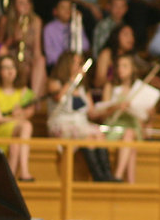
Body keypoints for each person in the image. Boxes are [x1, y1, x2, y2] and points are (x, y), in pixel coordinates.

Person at [46, 52, 118, 182]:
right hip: (62, 123)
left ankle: (106, 174)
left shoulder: (83, 88)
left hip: (81, 124)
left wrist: (111, 108)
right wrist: (72, 81)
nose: (79, 66)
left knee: (99, 135)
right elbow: (59, 97)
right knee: (88, 136)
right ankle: (98, 176)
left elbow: (91, 113)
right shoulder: (55, 82)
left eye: (80, 63)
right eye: (76, 63)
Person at [99, 54, 153, 184]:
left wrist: (143, 111)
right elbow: (102, 112)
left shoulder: (140, 89)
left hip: (132, 125)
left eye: (125, 66)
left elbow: (148, 117)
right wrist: (117, 107)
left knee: (129, 135)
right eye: (118, 66)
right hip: (114, 126)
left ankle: (119, 177)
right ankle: (129, 182)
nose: (120, 69)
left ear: (133, 68)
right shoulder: (110, 86)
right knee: (130, 142)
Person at [0, 54, 35, 182]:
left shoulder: (24, 90)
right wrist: (17, 117)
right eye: (6, 68)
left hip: (16, 131)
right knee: (27, 126)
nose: (10, 71)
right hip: (1, 128)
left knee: (15, 145)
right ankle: (24, 172)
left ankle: (9, 179)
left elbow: (30, 111)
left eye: (12, 67)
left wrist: (22, 113)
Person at [1, 0, 46, 99]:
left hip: (28, 57)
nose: (25, 5)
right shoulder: (5, 20)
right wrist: (13, 40)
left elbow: (37, 50)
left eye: (27, 2)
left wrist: (35, 63)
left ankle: (33, 98)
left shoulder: (36, 21)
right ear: (14, 6)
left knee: (40, 61)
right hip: (11, 57)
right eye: (21, 2)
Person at [43, 0, 90, 72]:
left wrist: (78, 25)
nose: (67, 11)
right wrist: (67, 62)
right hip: (57, 67)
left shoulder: (76, 25)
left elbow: (85, 47)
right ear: (55, 11)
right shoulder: (49, 28)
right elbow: (50, 56)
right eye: (63, 7)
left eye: (69, 7)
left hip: (76, 65)